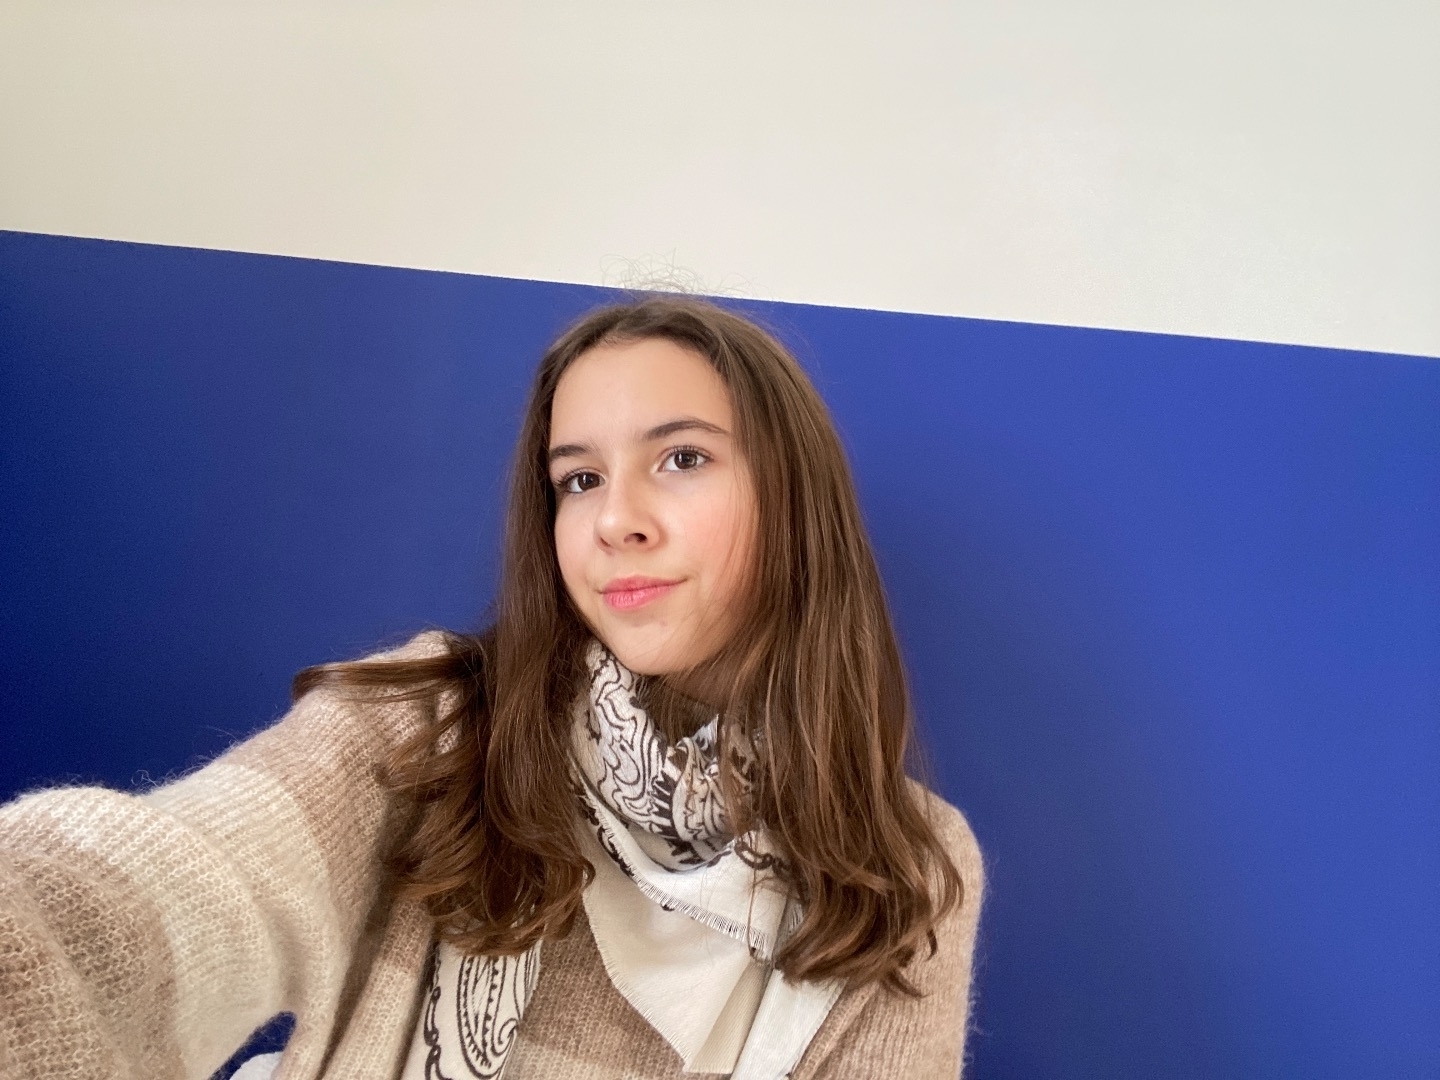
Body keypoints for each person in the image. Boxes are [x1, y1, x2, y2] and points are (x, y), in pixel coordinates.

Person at [0, 296, 984, 1080]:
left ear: (795, 499)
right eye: (579, 480)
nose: (617, 520)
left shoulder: (910, 863)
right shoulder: (424, 725)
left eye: (682, 459)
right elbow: (162, 889)